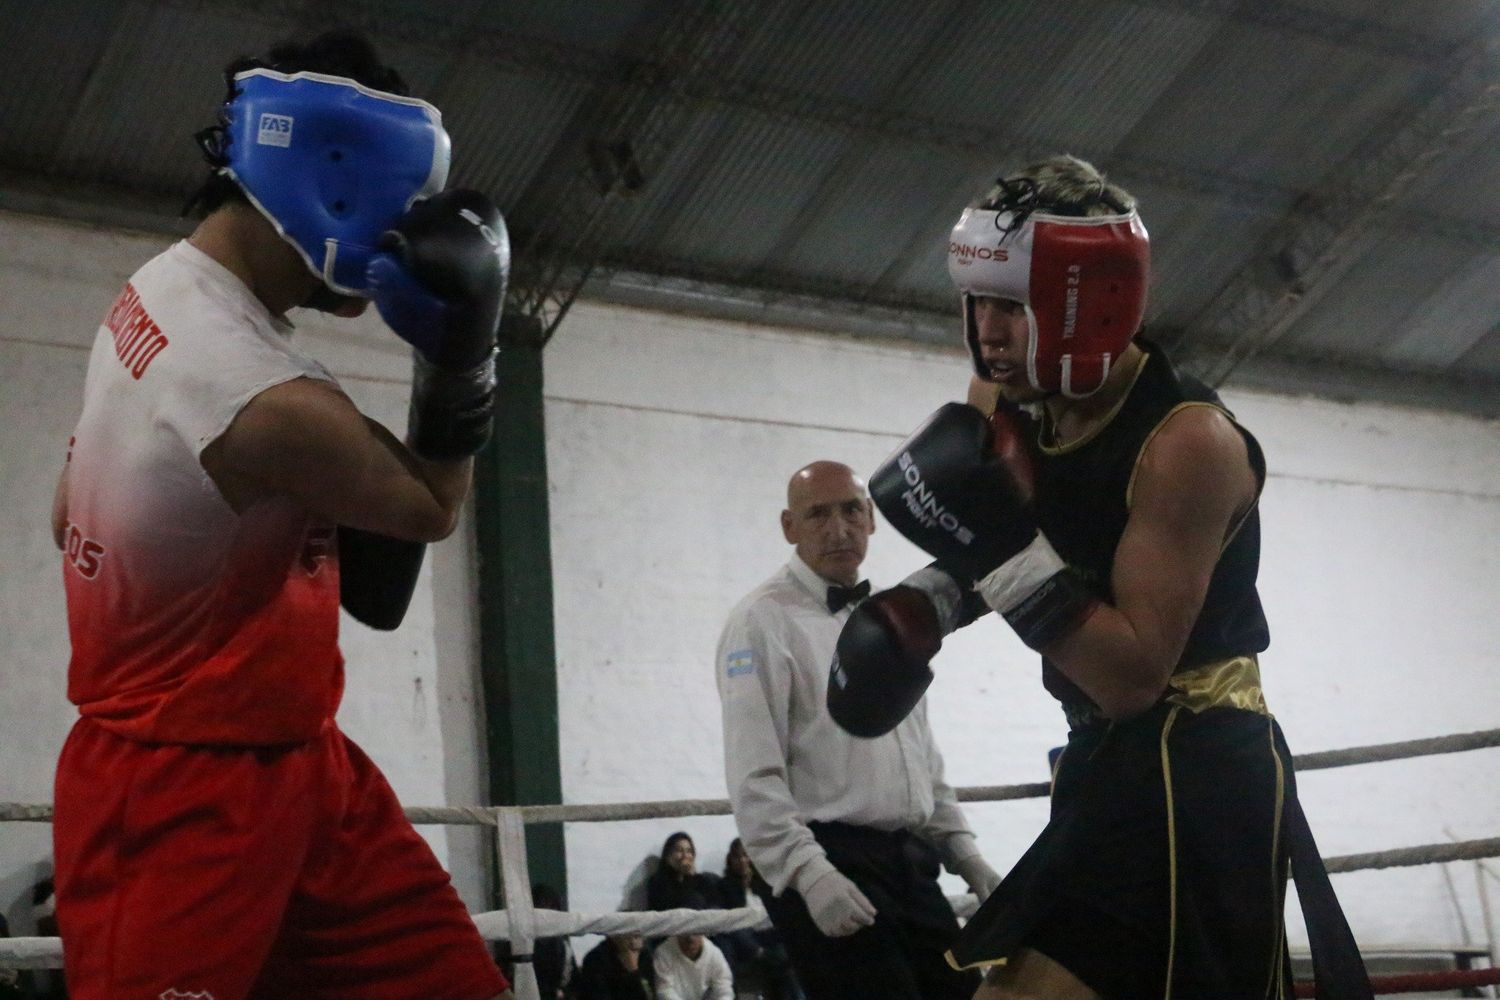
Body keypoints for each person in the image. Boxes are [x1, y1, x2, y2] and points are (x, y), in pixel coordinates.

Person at [831, 154, 1370, 998]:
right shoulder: (1013, 398)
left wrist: (995, 555)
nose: (987, 332)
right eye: (976, 302)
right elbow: (1007, 545)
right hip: (1103, 763)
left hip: (1195, 767)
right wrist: (931, 600)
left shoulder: (1187, 443)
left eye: (1011, 305)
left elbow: (1128, 672)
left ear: (1087, 301)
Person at [49, 29, 512, 1000]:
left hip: (305, 764)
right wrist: (463, 356)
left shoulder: (157, 290)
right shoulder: (267, 395)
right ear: (332, 178)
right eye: (396, 206)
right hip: (178, 796)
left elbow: (65, 510)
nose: (400, 237)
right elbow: (429, 507)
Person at [715, 461, 1001, 1000]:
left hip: (907, 862)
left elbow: (918, 754)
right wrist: (808, 874)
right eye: (817, 513)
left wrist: (965, 854)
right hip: (827, 858)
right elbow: (753, 772)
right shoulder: (761, 621)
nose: (838, 528)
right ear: (788, 527)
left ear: (872, 518)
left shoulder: (887, 614)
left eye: (851, 510)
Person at [717, 838, 802, 1000]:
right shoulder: (725, 885)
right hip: (748, 938)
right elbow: (733, 919)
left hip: (771, 935)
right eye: (737, 857)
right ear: (730, 860)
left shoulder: (766, 881)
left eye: (746, 855)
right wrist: (743, 887)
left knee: (786, 961)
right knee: (781, 961)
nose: (742, 861)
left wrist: (753, 884)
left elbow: (776, 912)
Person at [652, 919, 733, 1000]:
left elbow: (724, 987)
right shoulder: (663, 953)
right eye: (685, 934)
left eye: (695, 933)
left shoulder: (714, 953)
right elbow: (664, 990)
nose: (691, 939)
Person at [645, 832, 723, 913]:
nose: (685, 855)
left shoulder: (703, 880)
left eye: (689, 851)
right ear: (668, 856)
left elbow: (716, 907)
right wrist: (688, 878)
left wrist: (691, 877)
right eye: (679, 850)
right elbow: (675, 908)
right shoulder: (658, 882)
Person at [576, 932, 656, 1000]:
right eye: (628, 935)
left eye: (637, 936)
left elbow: (649, 996)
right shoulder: (596, 958)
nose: (633, 942)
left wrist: (633, 971)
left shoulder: (644, 956)